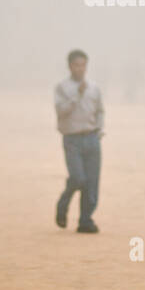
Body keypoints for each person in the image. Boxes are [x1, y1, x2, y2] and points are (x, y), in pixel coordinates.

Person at [54, 49, 103, 233]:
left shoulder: (94, 88)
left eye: (83, 65)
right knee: (77, 178)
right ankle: (63, 203)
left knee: (92, 182)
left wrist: (99, 130)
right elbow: (61, 111)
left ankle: (85, 220)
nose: (80, 69)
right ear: (69, 66)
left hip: (91, 138)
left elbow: (100, 111)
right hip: (72, 139)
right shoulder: (62, 88)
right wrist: (77, 95)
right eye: (77, 65)